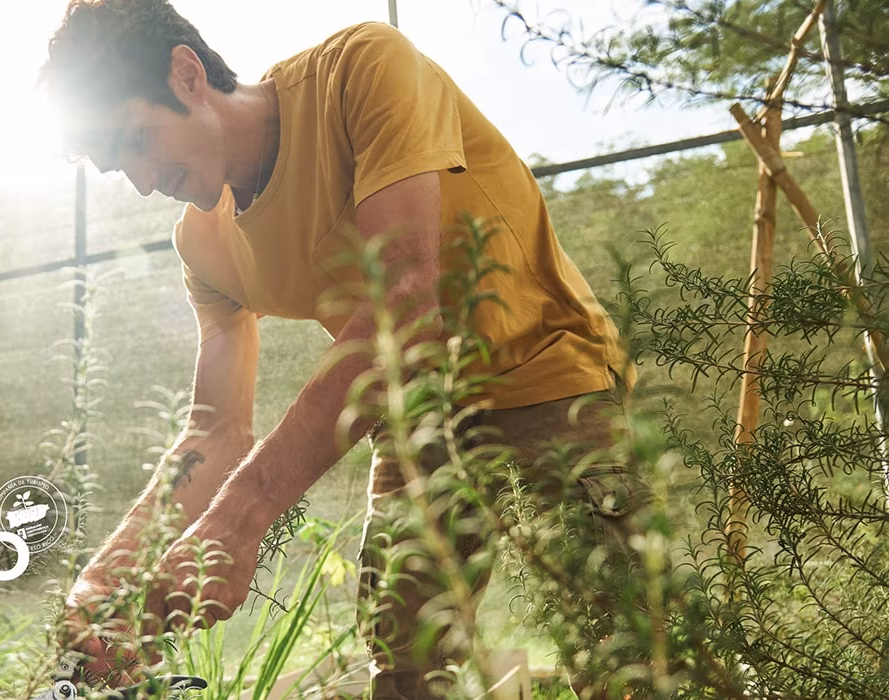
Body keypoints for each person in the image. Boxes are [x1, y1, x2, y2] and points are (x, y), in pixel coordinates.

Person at [40, 1, 656, 697]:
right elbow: (215, 427)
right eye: (117, 166)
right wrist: (106, 579)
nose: (143, 180)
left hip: (548, 379)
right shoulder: (203, 244)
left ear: (186, 74)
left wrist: (242, 517)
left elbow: (406, 300)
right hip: (414, 416)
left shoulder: (359, 70)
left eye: (135, 141)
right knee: (403, 663)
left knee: (623, 656)